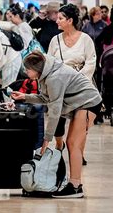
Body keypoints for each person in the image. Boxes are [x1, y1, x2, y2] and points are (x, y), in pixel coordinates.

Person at [11, 51, 102, 198]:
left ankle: (75, 186)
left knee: (73, 144)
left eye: (27, 69)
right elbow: (46, 97)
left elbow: (55, 109)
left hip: (89, 102)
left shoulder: (54, 78)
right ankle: (74, 184)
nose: (25, 71)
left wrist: (47, 138)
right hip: (80, 103)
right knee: (72, 143)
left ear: (37, 69)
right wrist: (25, 97)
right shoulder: (46, 73)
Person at [47, 3, 96, 165]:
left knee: (80, 125)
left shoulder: (85, 39)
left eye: (60, 18)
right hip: (60, 87)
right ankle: (59, 147)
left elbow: (91, 63)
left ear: (70, 20)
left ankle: (77, 152)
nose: (57, 21)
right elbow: (49, 62)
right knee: (58, 123)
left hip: (81, 88)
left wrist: (76, 80)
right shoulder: (55, 40)